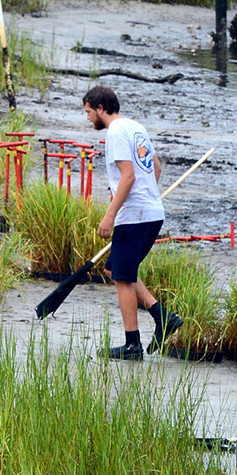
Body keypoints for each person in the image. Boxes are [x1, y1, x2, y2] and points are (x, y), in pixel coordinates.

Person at [84, 85, 181, 360]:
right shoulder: (136, 127)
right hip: (150, 211)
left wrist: (110, 214)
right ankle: (161, 315)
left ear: (100, 108)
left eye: (89, 112)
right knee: (116, 267)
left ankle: (132, 345)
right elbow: (156, 168)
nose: (89, 118)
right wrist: (147, 198)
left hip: (134, 215)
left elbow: (128, 177)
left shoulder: (114, 132)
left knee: (122, 277)